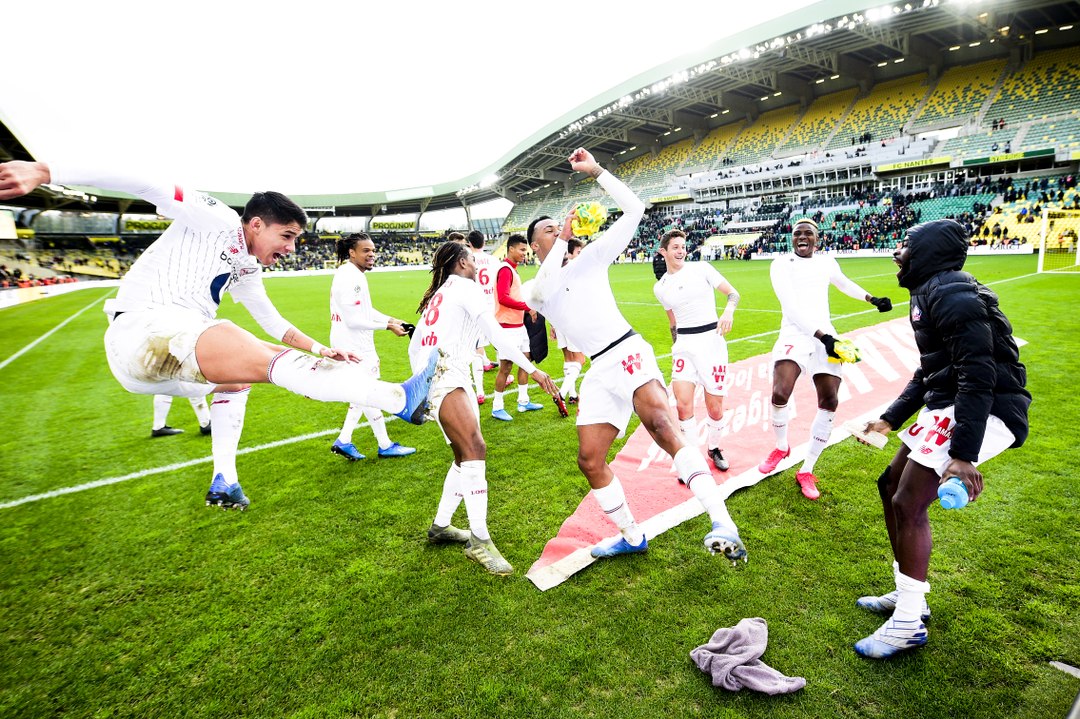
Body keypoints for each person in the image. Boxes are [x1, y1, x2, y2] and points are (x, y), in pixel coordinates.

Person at [0, 160, 439, 511]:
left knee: (238, 377)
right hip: (142, 330)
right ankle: (399, 400)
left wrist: (320, 348)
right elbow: (146, 180)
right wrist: (45, 172)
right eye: (285, 236)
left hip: (158, 362)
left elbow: (271, 320)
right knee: (232, 336)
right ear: (255, 225)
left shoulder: (245, 266)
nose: (289, 248)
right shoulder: (214, 216)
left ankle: (224, 480)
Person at [525, 148, 745, 563]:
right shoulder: (537, 284)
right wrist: (562, 240)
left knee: (664, 427)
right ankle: (631, 535)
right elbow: (541, 291)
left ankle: (722, 521)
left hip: (626, 350)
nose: (562, 231)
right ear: (535, 244)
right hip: (599, 371)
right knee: (590, 460)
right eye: (551, 230)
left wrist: (597, 172)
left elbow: (635, 208)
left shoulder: (590, 258)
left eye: (562, 227)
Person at [852, 219, 1030, 659]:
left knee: (908, 502)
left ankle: (909, 623)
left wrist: (963, 455)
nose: (897, 252)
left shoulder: (952, 292)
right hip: (951, 402)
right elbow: (931, 371)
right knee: (889, 486)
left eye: (906, 245)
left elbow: (978, 374)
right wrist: (891, 419)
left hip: (986, 408)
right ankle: (908, 594)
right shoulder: (930, 289)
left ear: (929, 251)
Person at [409, 241, 559, 575]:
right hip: (447, 374)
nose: (478, 261)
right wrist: (533, 369)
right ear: (462, 263)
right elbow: (499, 338)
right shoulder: (466, 287)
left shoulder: (441, 292)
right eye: (473, 257)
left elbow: (418, 341)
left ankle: (441, 526)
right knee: (476, 448)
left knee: (464, 456)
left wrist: (419, 383)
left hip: (442, 374)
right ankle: (479, 539)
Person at [757, 217, 892, 500]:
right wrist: (824, 338)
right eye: (797, 234)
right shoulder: (781, 264)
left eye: (808, 233)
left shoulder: (826, 262)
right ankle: (782, 446)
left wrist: (872, 299)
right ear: (792, 238)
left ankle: (807, 469)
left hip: (825, 337)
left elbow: (844, 284)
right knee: (780, 393)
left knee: (829, 401)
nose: (802, 237)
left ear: (818, 239)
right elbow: (791, 308)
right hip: (796, 335)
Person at [654, 229, 739, 472]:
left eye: (682, 247)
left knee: (714, 407)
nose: (681, 251)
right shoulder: (660, 288)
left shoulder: (702, 268)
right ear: (664, 252)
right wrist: (676, 344)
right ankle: (692, 461)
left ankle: (713, 448)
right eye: (675, 247)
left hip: (711, 343)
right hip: (684, 346)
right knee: (683, 406)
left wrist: (728, 311)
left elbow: (733, 294)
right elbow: (672, 321)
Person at [328, 233, 416, 461]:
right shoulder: (351, 278)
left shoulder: (350, 273)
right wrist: (388, 326)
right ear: (352, 253)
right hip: (355, 346)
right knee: (366, 391)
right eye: (366, 251)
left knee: (362, 392)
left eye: (373, 251)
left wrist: (391, 319)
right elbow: (354, 320)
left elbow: (364, 311)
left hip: (349, 343)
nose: (372, 255)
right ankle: (380, 445)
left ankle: (348, 440)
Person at [490, 234, 542, 421]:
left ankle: (523, 401)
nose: (524, 253)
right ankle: (497, 407)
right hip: (507, 326)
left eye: (525, 249)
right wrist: (527, 308)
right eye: (521, 249)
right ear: (510, 249)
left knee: (526, 360)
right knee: (506, 366)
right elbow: (503, 298)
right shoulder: (505, 269)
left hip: (518, 325)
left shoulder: (512, 269)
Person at [550, 238, 587, 404]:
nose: (581, 255)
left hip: (559, 320)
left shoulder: (556, 271)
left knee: (568, 358)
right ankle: (562, 393)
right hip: (572, 319)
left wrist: (552, 324)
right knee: (580, 359)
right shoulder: (573, 272)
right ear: (569, 253)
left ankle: (572, 395)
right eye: (578, 252)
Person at [466, 229, 498, 404]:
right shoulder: (494, 260)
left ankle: (479, 392)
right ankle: (505, 377)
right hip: (493, 306)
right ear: (484, 242)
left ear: (469, 243)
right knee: (498, 342)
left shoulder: (467, 260)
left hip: (475, 308)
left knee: (477, 349)